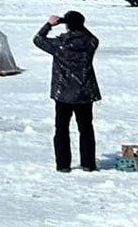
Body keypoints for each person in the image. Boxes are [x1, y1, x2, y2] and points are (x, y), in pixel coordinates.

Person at [34, 11, 101, 172]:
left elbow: (37, 39)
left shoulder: (60, 44)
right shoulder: (89, 42)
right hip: (84, 92)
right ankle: (88, 163)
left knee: (61, 129)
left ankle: (63, 165)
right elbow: (94, 39)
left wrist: (49, 25)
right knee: (86, 129)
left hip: (63, 93)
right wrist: (79, 26)